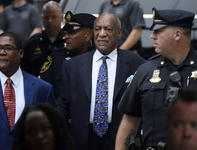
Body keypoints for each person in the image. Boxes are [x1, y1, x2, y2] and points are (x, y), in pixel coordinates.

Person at [56, 12, 145, 150]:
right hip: (83, 140)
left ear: (119, 33)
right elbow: (64, 105)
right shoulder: (72, 66)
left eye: (108, 29)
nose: (102, 34)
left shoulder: (137, 64)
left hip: (120, 139)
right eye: (98, 29)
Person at [115, 8, 196, 150]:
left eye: (158, 31)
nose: (152, 36)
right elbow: (129, 121)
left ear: (177, 35)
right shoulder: (145, 70)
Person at [0, 32, 56, 150]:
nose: (2, 53)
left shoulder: (43, 88)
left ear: (21, 53)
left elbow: (52, 131)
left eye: (8, 48)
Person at [39, 11, 96, 100]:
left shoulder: (99, 58)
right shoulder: (56, 57)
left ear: (87, 36)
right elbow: (42, 89)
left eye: (72, 33)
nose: (66, 36)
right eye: (66, 32)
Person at [20, 1, 66, 77]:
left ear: (61, 17)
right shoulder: (30, 44)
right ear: (42, 18)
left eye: (54, 17)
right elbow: (22, 72)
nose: (50, 21)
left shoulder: (69, 42)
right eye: (46, 18)